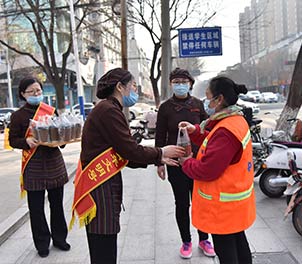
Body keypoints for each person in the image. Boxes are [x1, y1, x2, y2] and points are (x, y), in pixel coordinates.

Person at [70, 68, 185, 264]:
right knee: (103, 245)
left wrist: (157, 158)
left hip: (103, 184)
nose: (135, 90)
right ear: (120, 87)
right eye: (133, 86)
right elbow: (129, 149)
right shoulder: (108, 110)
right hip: (100, 187)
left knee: (104, 241)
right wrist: (161, 152)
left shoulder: (108, 108)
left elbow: (122, 153)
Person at [179, 76, 256, 264]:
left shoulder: (226, 130)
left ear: (219, 99)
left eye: (208, 97)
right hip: (235, 202)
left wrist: (186, 162)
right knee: (238, 242)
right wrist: (195, 132)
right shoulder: (234, 120)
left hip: (223, 207)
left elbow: (207, 170)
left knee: (227, 250)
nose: (206, 102)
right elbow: (213, 144)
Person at [155, 67, 215, 259]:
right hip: (176, 163)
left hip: (198, 162)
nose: (180, 85)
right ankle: (186, 241)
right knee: (182, 203)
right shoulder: (165, 107)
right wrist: (159, 161)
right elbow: (160, 135)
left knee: (200, 202)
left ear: (190, 84)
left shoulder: (198, 104)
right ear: (171, 84)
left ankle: (204, 239)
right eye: (176, 82)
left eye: (183, 82)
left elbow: (207, 130)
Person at [9, 76, 70, 258]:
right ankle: (42, 243)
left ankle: (60, 239)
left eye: (39, 91)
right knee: (36, 208)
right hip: (33, 166)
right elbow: (13, 140)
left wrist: (63, 139)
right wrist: (26, 141)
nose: (36, 94)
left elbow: (61, 133)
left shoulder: (50, 111)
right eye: (32, 91)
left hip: (53, 163)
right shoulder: (17, 116)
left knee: (57, 204)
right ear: (23, 94)